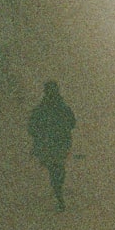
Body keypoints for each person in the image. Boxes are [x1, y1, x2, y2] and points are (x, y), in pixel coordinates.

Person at [28, 80, 76, 211]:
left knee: (53, 167)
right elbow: (72, 123)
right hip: (61, 142)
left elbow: (31, 127)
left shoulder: (41, 109)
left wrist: (39, 136)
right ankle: (58, 191)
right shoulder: (63, 107)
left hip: (48, 143)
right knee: (59, 167)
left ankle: (57, 191)